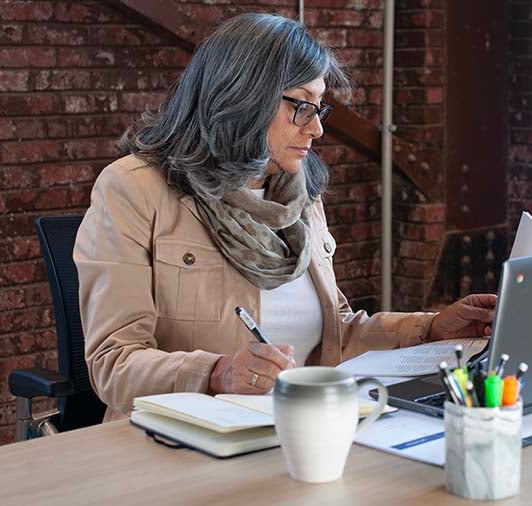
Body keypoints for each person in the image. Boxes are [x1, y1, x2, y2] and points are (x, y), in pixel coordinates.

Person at [74, 13, 497, 421]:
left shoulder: (300, 195)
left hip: (299, 429)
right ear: (243, 97)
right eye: (302, 106)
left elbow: (336, 335)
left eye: (319, 109)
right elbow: (114, 362)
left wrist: (433, 328)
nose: (317, 130)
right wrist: (219, 373)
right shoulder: (133, 189)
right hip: (180, 442)